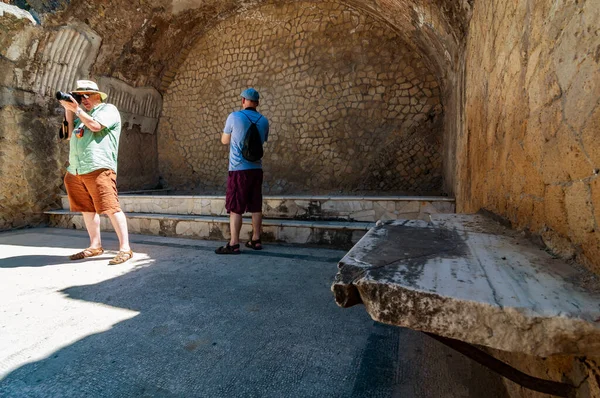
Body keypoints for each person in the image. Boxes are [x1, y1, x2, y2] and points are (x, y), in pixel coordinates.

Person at [58, 80, 133, 264]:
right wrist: (68, 108)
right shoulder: (81, 114)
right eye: (79, 96)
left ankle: (125, 249)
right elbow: (66, 135)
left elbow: (95, 126)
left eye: (87, 95)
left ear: (98, 95)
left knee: (111, 207)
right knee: (86, 209)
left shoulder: (108, 110)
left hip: (98, 167)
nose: (84, 99)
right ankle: (95, 246)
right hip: (76, 168)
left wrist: (77, 110)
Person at [216, 88, 269, 254]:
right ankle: (256, 239)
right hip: (256, 169)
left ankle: (234, 243)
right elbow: (262, 141)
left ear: (243, 101)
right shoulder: (264, 120)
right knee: (255, 205)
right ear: (257, 103)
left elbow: (224, 141)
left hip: (238, 169)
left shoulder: (234, 116)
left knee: (235, 207)